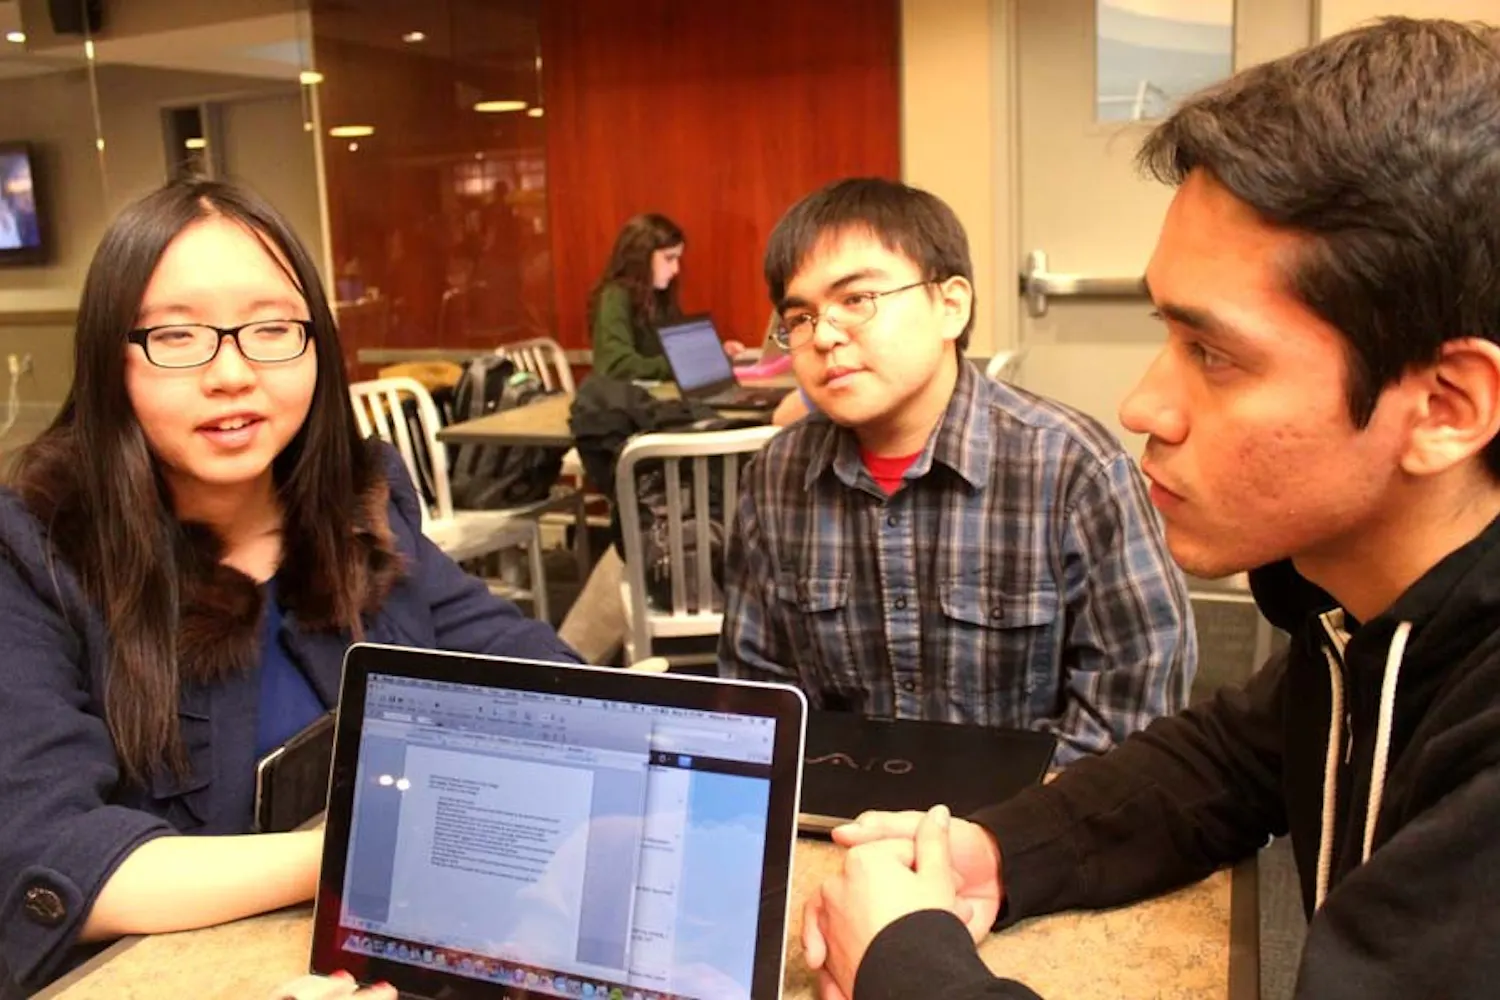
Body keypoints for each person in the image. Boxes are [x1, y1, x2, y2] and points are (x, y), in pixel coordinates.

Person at [803, 17, 1500, 1000]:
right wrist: (992, 850)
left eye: (1213, 354)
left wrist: (906, 961)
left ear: (1445, 407)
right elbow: (1221, 762)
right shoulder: (1360, 608)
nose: (1143, 406)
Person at [0, 179, 581, 999]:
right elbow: (51, 856)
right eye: (178, 335)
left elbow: (528, 671)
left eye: (272, 329)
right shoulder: (34, 552)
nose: (233, 372)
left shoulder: (359, 503)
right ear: (109, 357)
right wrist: (371, 851)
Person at [719, 177, 1195, 764]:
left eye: (856, 300)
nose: (825, 335)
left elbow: (1134, 707)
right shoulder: (777, 477)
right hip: (845, 822)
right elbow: (757, 692)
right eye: (800, 317)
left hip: (1030, 825)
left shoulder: (1073, 468)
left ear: (951, 305)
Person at [588, 213, 744, 380]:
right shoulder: (614, 297)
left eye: (677, 259)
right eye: (669, 258)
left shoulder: (659, 294)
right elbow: (617, 366)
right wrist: (684, 364)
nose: (676, 269)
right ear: (642, 256)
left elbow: (676, 349)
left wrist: (713, 353)